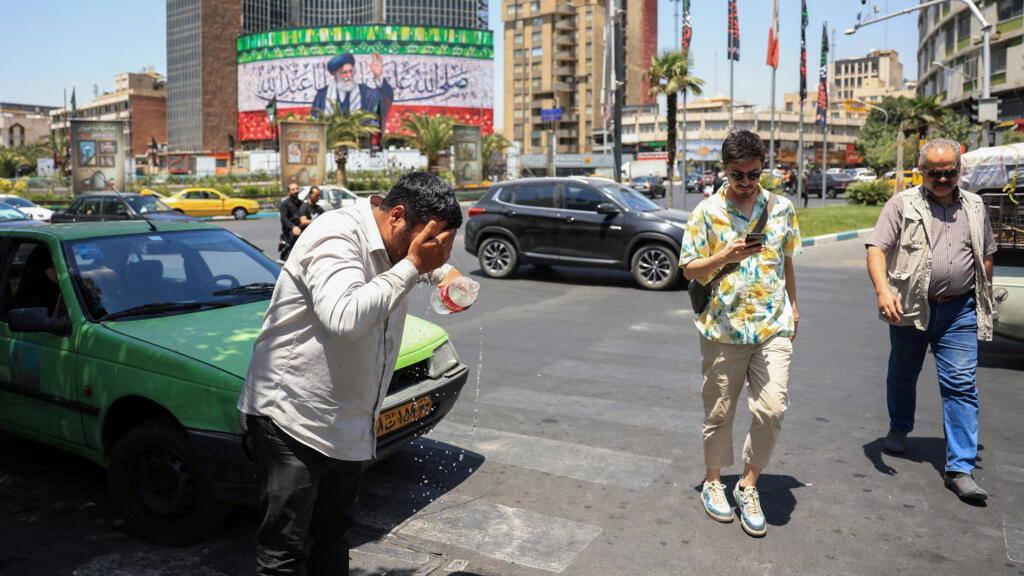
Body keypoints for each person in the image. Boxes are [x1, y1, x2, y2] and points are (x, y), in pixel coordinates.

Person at [238, 172, 464, 575]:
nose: (434, 252)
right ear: (397, 216)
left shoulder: (395, 241)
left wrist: (445, 273)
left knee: (334, 534)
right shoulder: (336, 236)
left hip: (350, 420)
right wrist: (415, 264)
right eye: (431, 242)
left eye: (441, 245)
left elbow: (414, 263)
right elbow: (344, 316)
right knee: (283, 551)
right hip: (294, 417)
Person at [680, 130, 802, 538]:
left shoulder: (781, 208)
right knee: (719, 411)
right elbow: (689, 269)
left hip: (772, 326)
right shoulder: (706, 213)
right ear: (724, 170)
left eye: (753, 174)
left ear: (762, 169)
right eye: (738, 175)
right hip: (723, 328)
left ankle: (748, 485)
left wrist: (794, 306)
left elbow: (786, 261)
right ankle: (714, 481)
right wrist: (723, 256)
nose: (746, 183)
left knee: (772, 409)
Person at [865, 138, 996, 502]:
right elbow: (877, 247)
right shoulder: (901, 204)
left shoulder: (974, 205)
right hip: (910, 308)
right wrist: (882, 290)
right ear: (921, 171)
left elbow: (986, 253)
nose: (943, 179)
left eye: (950, 172)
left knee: (960, 384)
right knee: (904, 373)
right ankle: (899, 427)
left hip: (959, 311)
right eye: (935, 172)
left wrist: (981, 292)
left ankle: (960, 468)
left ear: (959, 170)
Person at [311, 52, 393, 136]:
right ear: (334, 74)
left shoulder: (366, 93)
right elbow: (315, 124)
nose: (349, 76)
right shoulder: (322, 96)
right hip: (330, 143)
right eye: (344, 72)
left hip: (361, 144)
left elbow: (384, 99)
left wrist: (378, 77)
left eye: (351, 71)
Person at [279, 183, 303, 261]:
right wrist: (293, 227)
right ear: (289, 192)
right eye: (293, 189)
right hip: (290, 232)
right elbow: (284, 219)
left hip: (301, 230)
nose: (296, 191)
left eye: (297, 189)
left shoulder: (301, 203)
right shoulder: (284, 204)